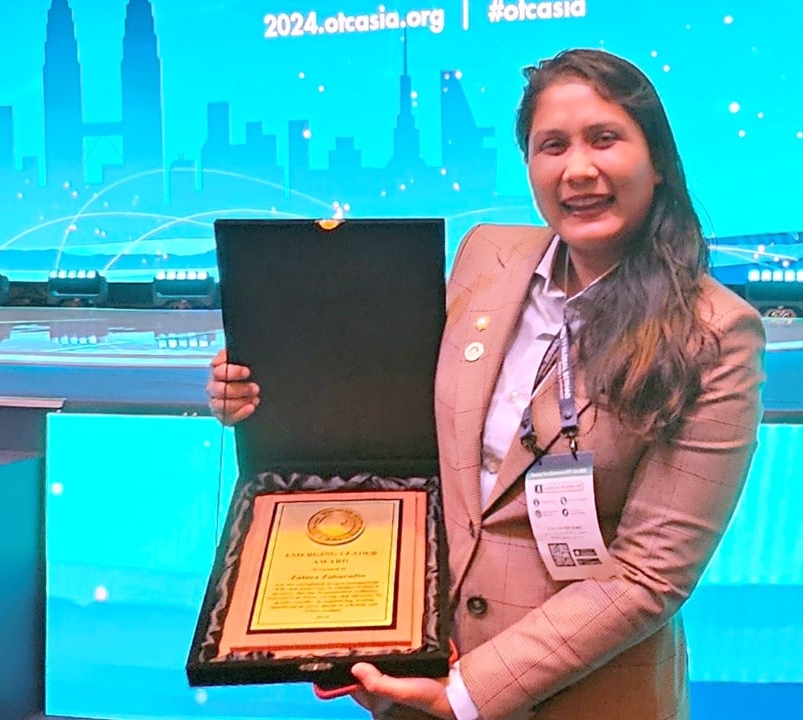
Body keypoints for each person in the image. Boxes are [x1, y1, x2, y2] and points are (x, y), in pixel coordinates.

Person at [207, 48, 766, 720]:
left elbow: (649, 573)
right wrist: (265, 393)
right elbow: (384, 407)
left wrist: (466, 695)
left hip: (585, 695)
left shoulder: (715, 334)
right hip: (419, 666)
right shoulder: (488, 256)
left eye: (605, 138)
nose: (578, 169)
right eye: (551, 145)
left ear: (656, 161)